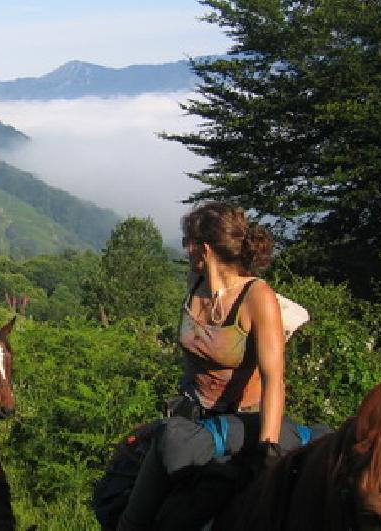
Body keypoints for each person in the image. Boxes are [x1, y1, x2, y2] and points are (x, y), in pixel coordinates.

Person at [117, 202, 292, 531]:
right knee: (134, 517)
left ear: (205, 249)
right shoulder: (195, 284)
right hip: (189, 416)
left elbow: (274, 379)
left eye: (187, 242)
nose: (185, 250)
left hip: (240, 422)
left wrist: (268, 448)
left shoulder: (257, 296)